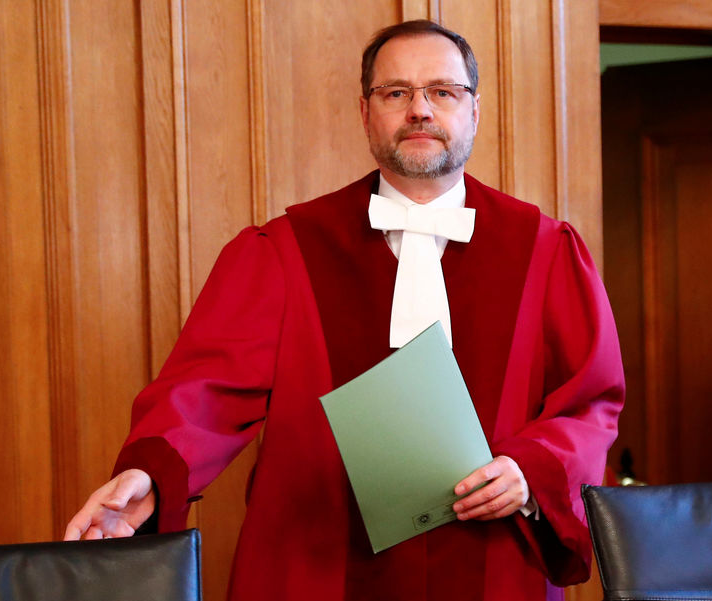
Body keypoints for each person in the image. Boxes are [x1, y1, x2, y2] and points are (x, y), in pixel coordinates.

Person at [65, 19, 624, 601]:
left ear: (474, 110)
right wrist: (150, 475)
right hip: (318, 560)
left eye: (442, 91)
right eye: (396, 93)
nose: (420, 110)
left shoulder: (545, 249)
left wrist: (530, 473)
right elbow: (206, 388)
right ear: (365, 113)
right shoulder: (285, 250)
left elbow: (590, 403)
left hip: (493, 564)